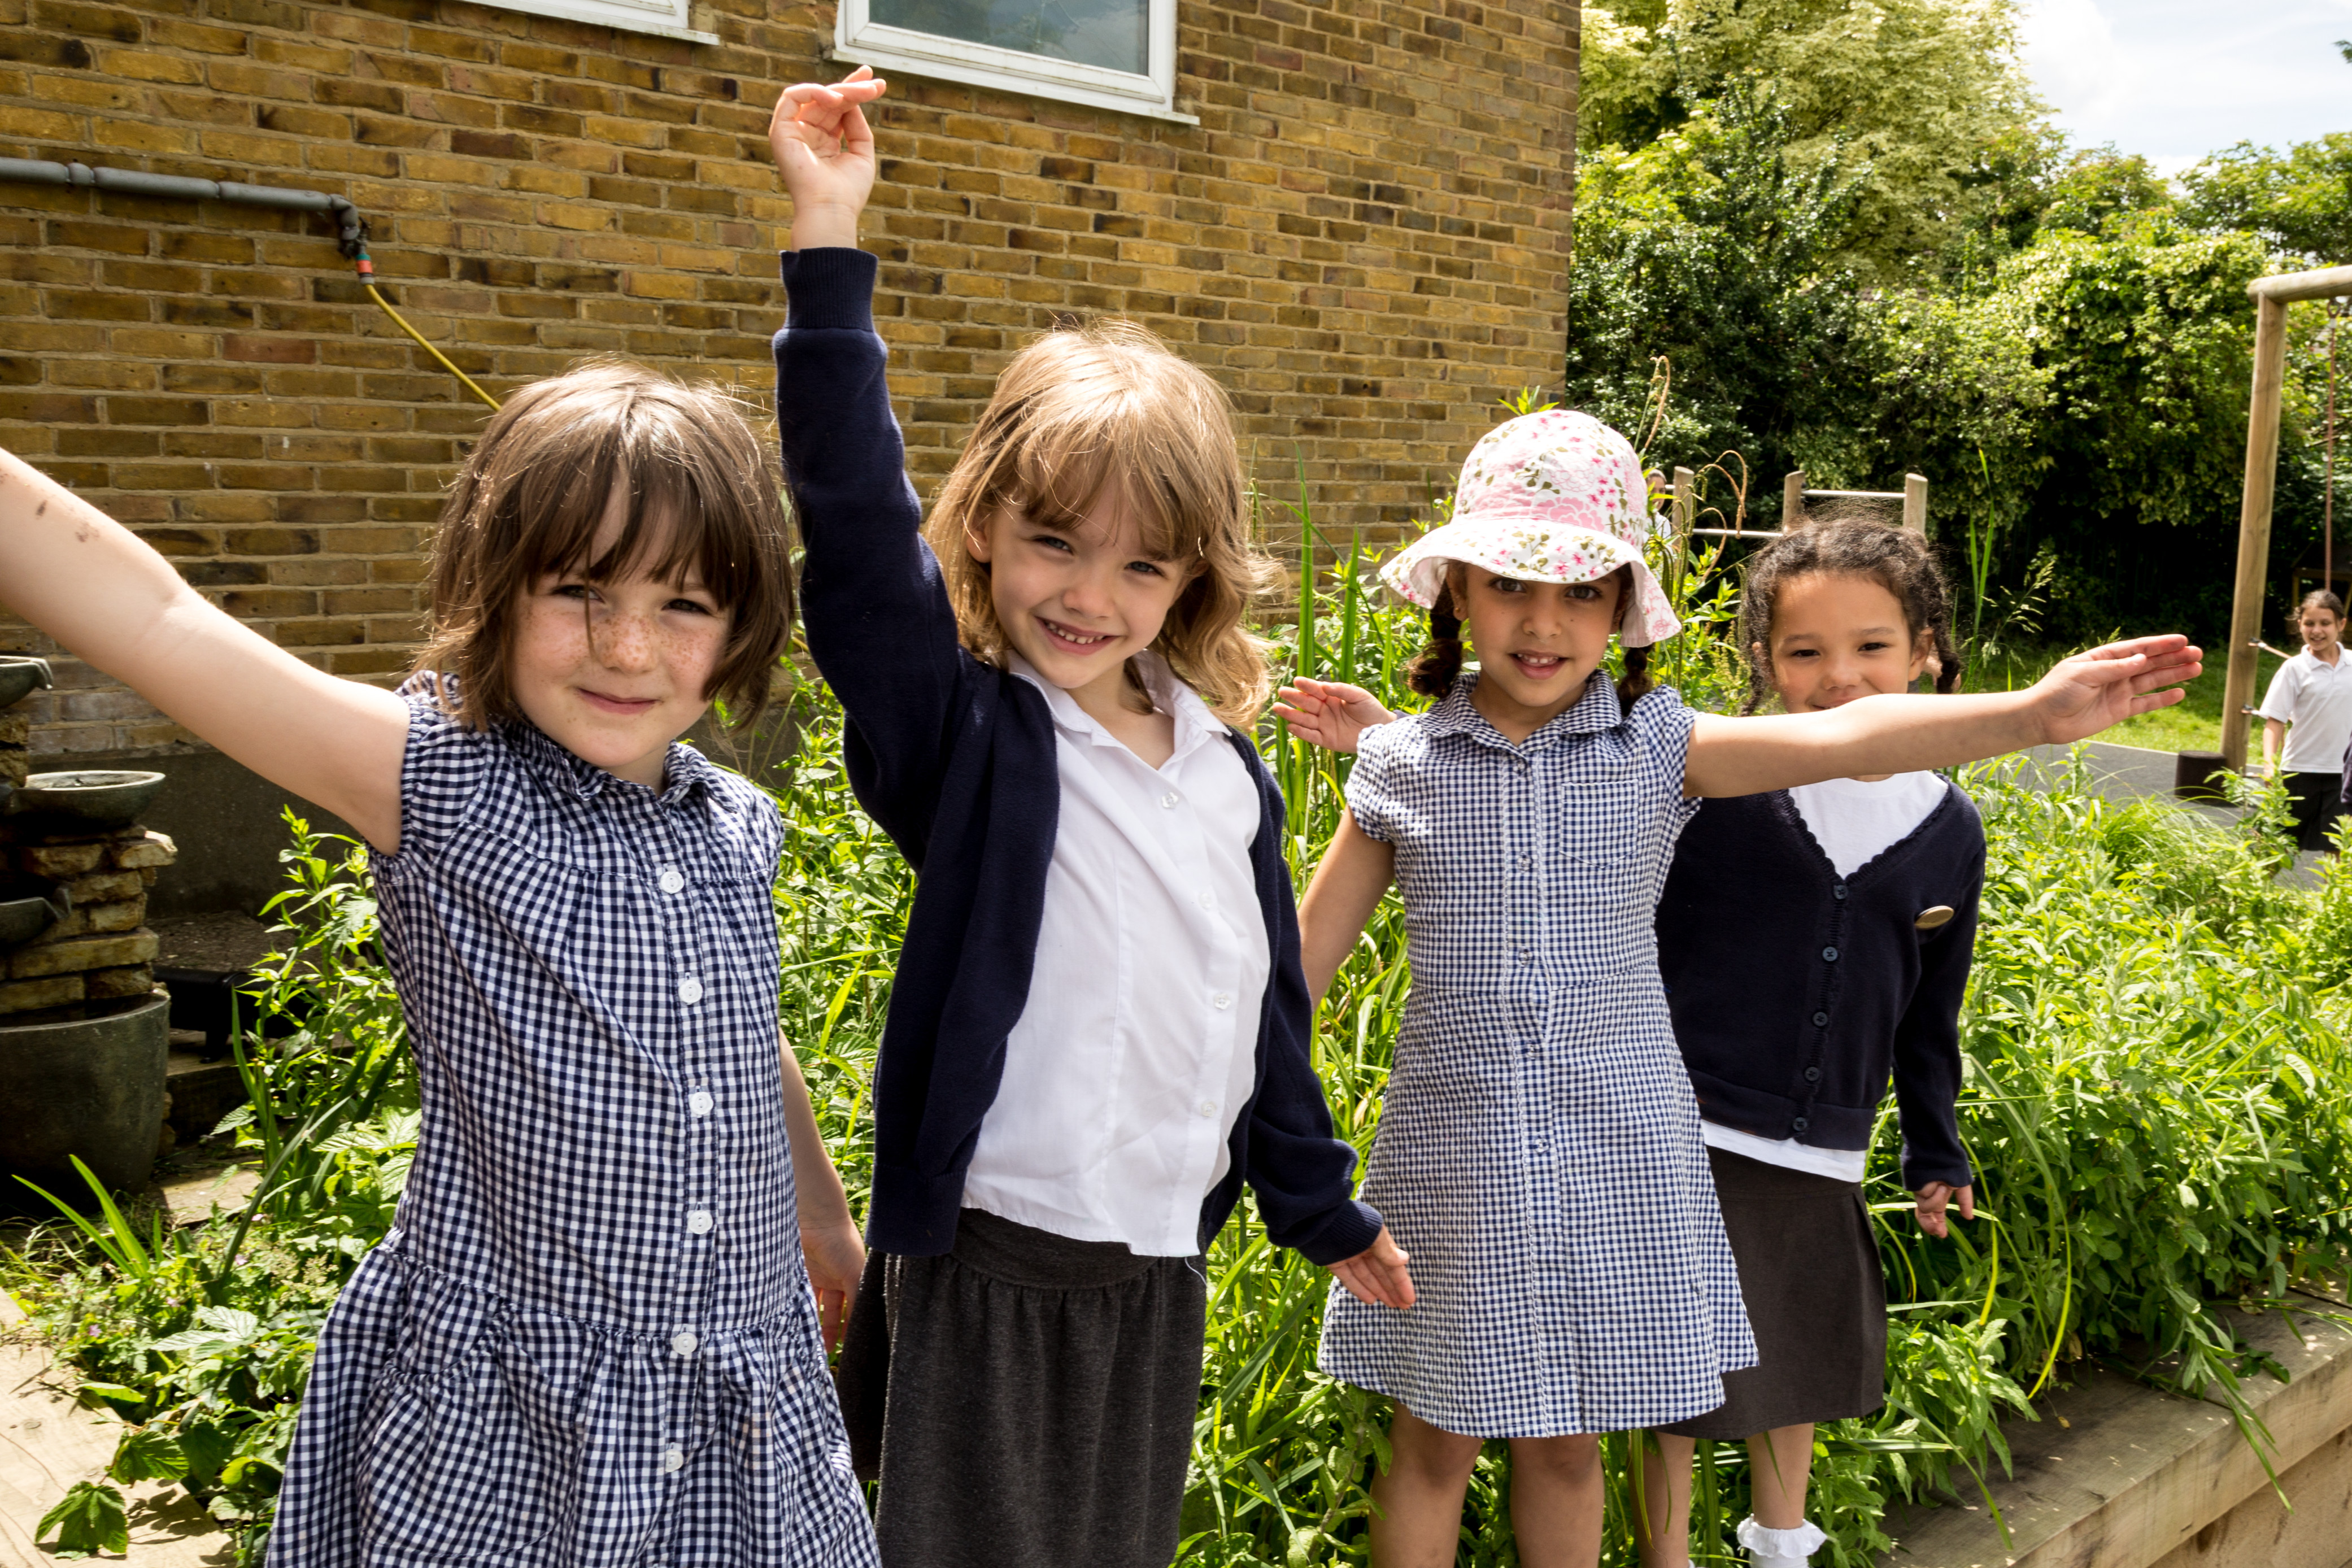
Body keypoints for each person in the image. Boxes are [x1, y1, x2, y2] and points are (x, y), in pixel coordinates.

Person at [1273, 411, 2199, 1568]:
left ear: (1621, 609)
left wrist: (2029, 716)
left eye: (1580, 590)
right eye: (1510, 582)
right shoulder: (1400, 764)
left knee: (1566, 1442)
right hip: (1454, 1153)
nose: (1543, 620)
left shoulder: (1660, 746)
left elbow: (1853, 737)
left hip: (1619, 1146)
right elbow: (1293, 976)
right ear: (1456, 588)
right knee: (1434, 1441)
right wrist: (1248, 1126)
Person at [0, 362, 878, 1567]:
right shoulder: (441, 781)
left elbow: (739, 1030)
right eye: (577, 587)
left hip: (733, 1386)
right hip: (527, 1413)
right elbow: (161, 619)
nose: (626, 644)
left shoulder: (731, 822)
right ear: (497, 591)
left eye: (683, 603)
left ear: (741, 625)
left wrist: (824, 1225)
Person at [766, 70, 1413, 1568]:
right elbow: (857, 532)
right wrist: (825, 235)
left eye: (1140, 568)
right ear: (983, 521)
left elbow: (1263, 1016)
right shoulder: (972, 735)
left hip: (1155, 1267)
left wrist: (1316, 1203)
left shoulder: (1220, 771)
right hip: (993, 1254)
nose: (1086, 593)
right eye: (1053, 541)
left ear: (1191, 583)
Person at [1629, 519, 1984, 1568]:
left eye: (1870, 646)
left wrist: (1934, 1150)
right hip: (1683, 1122)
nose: (1839, 676)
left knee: (1799, 1348)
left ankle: (1780, 1543)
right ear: (1760, 660)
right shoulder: (1716, 787)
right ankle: (1664, 1553)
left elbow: (1931, 1011)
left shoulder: (1946, 827)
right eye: (1803, 652)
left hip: (1822, 1144)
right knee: (1681, 1370)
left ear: (1925, 646)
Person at [2258, 589, 2352, 855]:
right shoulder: (2294, 669)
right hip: (2298, 772)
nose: (2317, 630)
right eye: (2309, 623)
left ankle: (2334, 899)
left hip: (2344, 777)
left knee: (2339, 854)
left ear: (2341, 624)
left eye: (2325, 623)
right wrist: (2269, 766)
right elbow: (2275, 721)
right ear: (2299, 624)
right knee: (2271, 849)